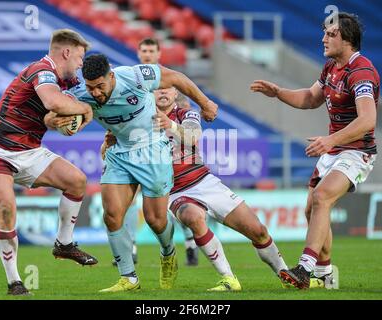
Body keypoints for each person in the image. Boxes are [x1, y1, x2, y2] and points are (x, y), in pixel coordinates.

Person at [48, 53, 217, 292]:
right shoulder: (79, 94)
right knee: (112, 215)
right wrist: (55, 122)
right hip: (119, 151)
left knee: (155, 220)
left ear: (111, 76)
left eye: (100, 86)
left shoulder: (136, 76)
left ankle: (168, 253)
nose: (95, 92)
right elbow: (49, 114)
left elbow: (177, 78)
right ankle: (129, 278)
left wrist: (206, 103)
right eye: (90, 87)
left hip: (153, 150)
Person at [102, 87, 288, 291]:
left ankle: (286, 274)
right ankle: (228, 278)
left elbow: (193, 136)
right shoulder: (136, 121)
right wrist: (107, 144)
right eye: (157, 90)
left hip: (203, 181)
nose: (163, 93)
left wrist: (170, 124)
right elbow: (106, 153)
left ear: (175, 94)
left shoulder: (186, 114)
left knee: (258, 231)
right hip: (173, 191)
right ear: (149, 95)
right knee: (192, 217)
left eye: (167, 89)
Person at [250, 12, 379, 289]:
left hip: (356, 151)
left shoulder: (362, 71)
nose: (323, 38)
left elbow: (368, 120)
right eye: (324, 32)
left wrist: (331, 141)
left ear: (348, 40)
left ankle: (304, 270)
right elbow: (310, 98)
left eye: (331, 34)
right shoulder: (331, 67)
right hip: (334, 149)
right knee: (311, 209)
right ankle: (324, 272)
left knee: (321, 197)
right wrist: (279, 92)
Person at [0, 29, 97, 296]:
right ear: (66, 52)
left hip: (30, 150)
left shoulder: (62, 80)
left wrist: (60, 120)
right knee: (6, 208)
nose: (80, 63)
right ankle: (15, 282)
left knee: (76, 181)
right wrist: (83, 109)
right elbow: (53, 101)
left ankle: (64, 244)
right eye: (79, 57)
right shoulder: (42, 70)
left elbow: (48, 117)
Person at [112, 37, 199, 267]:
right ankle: (130, 248)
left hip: (167, 144)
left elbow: (183, 115)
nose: (147, 54)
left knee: (173, 197)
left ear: (158, 54)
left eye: (151, 51)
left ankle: (190, 241)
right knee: (132, 198)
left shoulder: (168, 79)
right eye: (144, 51)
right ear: (139, 54)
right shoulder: (136, 78)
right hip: (140, 144)